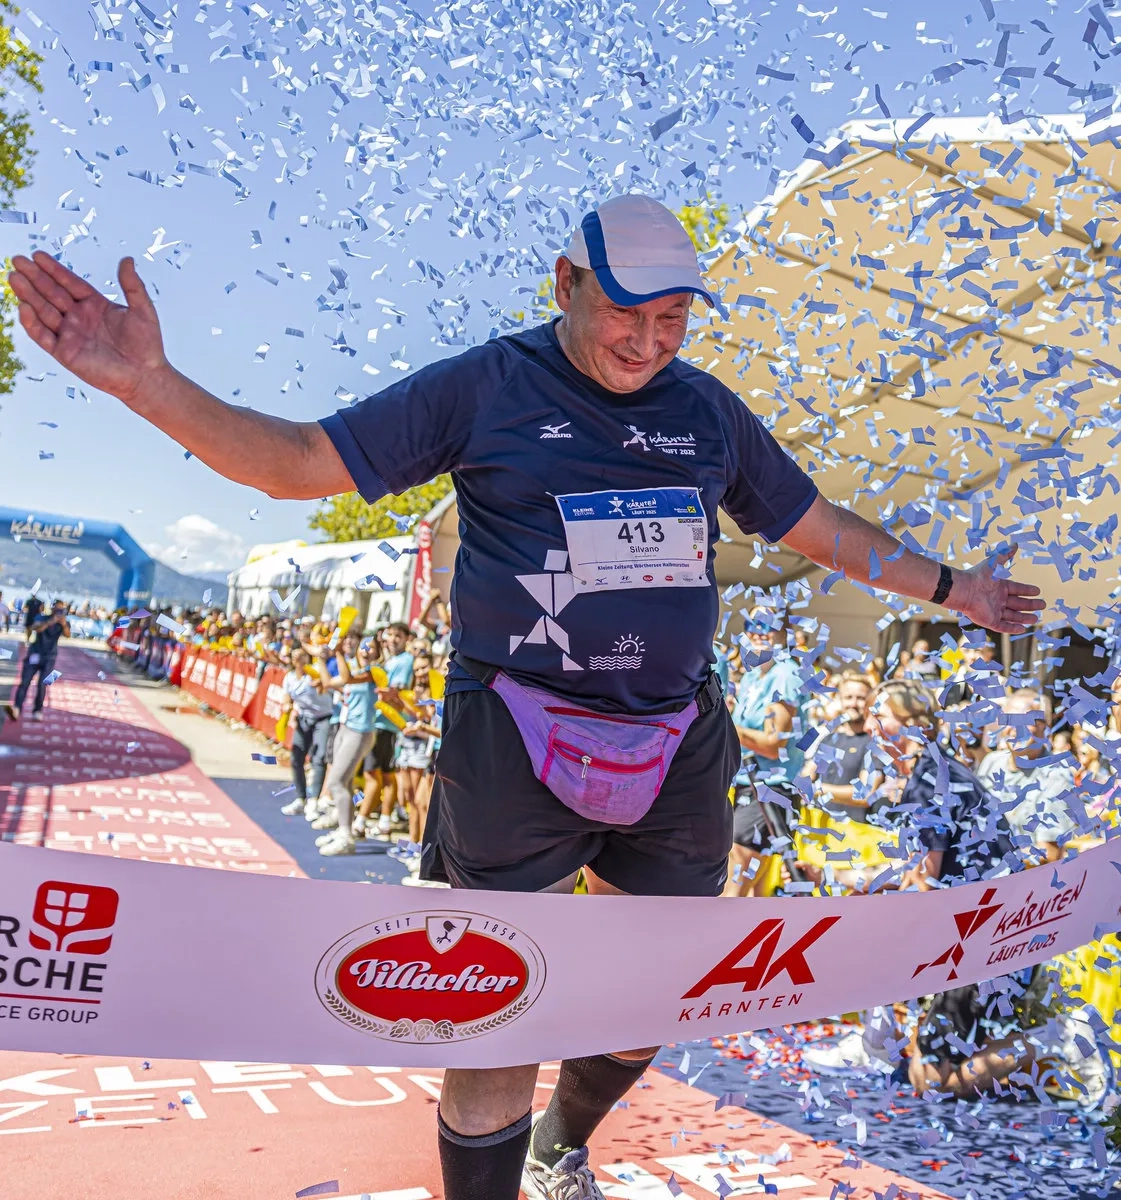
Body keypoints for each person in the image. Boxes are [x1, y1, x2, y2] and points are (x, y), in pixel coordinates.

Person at [9, 195, 1044, 1200]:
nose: (648, 342)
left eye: (672, 318)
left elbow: (819, 529)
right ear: (565, 284)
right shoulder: (489, 385)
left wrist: (953, 590)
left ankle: (561, 1143)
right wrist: (149, 385)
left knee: (650, 998)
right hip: (514, 730)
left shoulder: (708, 413)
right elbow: (297, 463)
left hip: (675, 738)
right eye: (626, 313)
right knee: (497, 1007)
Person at [724, 607, 807, 898]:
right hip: (748, 785)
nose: (758, 631)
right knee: (755, 894)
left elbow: (773, 745)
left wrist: (722, 725)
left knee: (732, 890)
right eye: (752, 624)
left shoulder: (785, 674)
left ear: (785, 633)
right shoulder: (753, 677)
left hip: (771, 790)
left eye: (769, 624)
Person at [976, 689, 1080, 863]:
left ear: (1044, 726)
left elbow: (1048, 854)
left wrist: (997, 859)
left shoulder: (1054, 777)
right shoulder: (991, 763)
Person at [353, 621, 414, 840]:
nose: (393, 639)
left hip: (386, 725)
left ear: (406, 639)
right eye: (391, 635)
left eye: (398, 636)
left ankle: (361, 822)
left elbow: (394, 692)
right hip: (380, 723)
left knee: (374, 775)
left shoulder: (405, 660)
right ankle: (383, 820)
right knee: (384, 776)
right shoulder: (389, 659)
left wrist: (385, 693)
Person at [805, 672, 872, 822]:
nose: (853, 703)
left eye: (860, 698)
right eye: (848, 697)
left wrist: (819, 789)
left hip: (853, 830)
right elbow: (809, 772)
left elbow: (865, 794)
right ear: (840, 700)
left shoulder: (873, 743)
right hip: (817, 826)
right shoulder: (829, 739)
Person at [278, 646, 335, 817]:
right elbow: (286, 698)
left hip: (323, 718)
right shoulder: (289, 677)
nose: (298, 658)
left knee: (319, 758)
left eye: (301, 655)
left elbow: (325, 686)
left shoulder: (315, 671)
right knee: (296, 758)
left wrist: (320, 683)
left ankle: (313, 800)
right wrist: (287, 707)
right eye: (294, 655)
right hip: (304, 718)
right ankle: (300, 798)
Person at [5, 598, 69, 722]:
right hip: (34, 653)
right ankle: (16, 708)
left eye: (61, 609)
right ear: (52, 608)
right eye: (56, 608)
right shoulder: (41, 617)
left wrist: (64, 624)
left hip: (50, 658)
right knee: (25, 681)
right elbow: (36, 628)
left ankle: (38, 710)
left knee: (43, 684)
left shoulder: (64, 622)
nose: (58, 611)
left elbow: (67, 635)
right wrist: (51, 621)